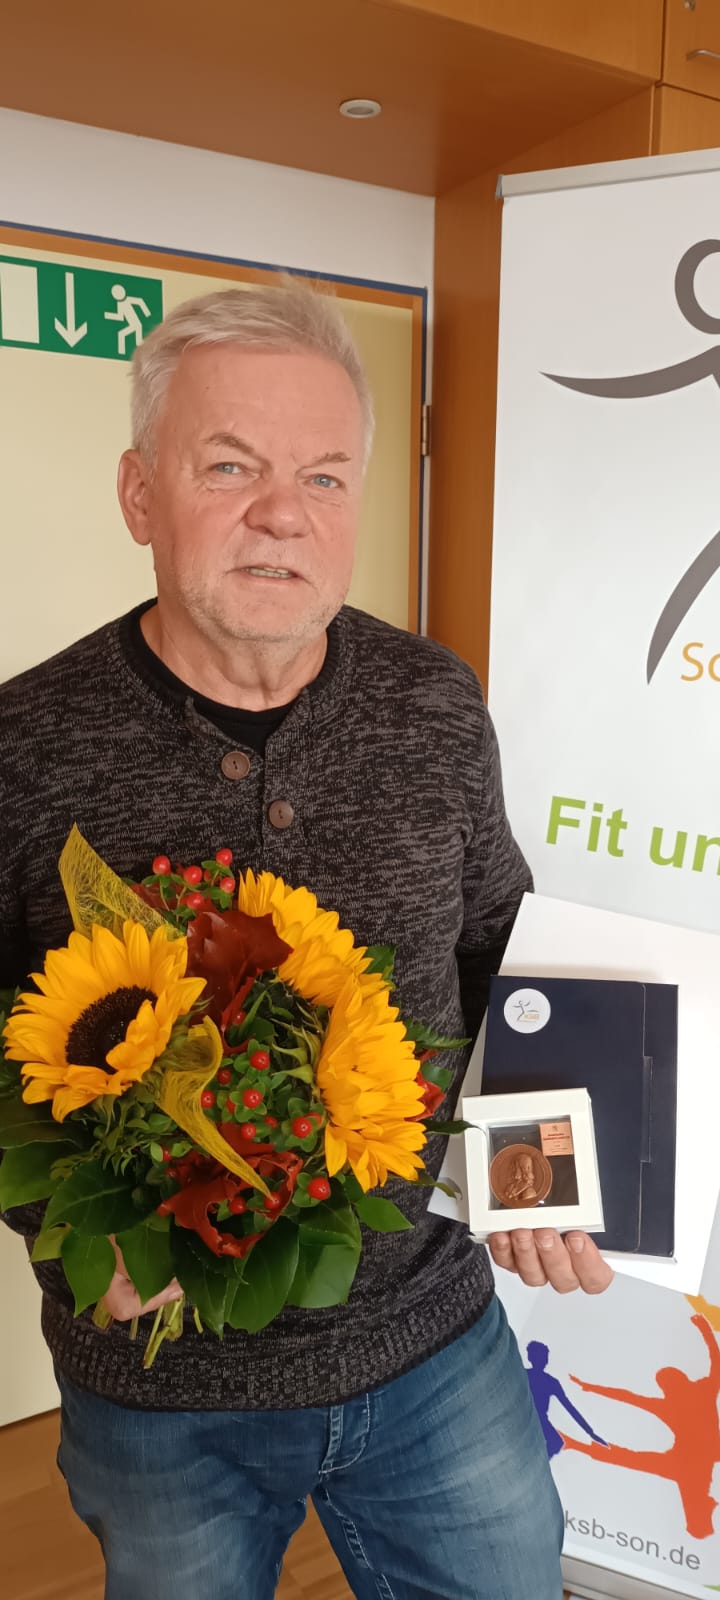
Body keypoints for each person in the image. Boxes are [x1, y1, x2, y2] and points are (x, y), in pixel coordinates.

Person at [0, 282, 612, 1600]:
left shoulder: (433, 703)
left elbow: (499, 948)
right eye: (230, 467)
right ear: (139, 494)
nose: (284, 513)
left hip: (430, 1341)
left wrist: (537, 1176)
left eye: (325, 477)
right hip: (160, 1392)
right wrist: (72, 1232)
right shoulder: (24, 747)